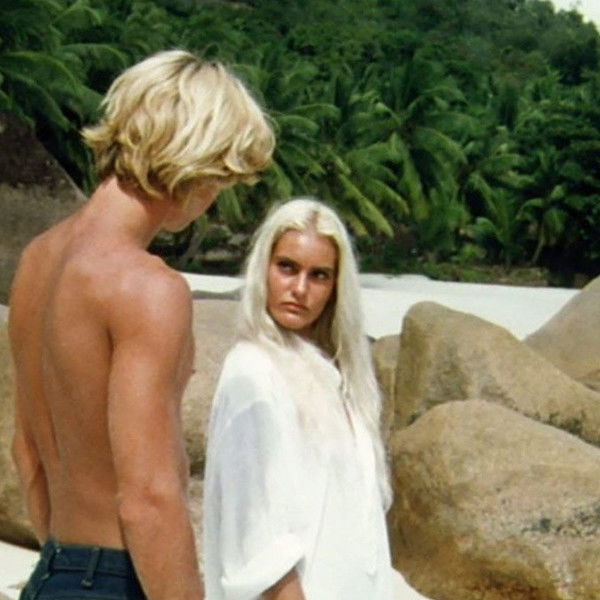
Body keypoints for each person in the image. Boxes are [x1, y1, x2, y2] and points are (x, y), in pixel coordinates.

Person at [8, 49, 274, 600]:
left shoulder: (37, 261)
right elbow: (148, 497)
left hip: (53, 571)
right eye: (221, 179)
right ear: (196, 162)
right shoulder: (148, 287)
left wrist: (70, 569)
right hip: (117, 580)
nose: (212, 199)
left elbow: (27, 454)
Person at [203, 198, 421, 600]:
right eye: (287, 267)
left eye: (319, 275)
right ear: (263, 268)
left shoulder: (340, 380)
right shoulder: (253, 370)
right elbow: (257, 539)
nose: (300, 289)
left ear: (337, 288)